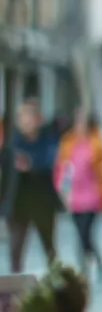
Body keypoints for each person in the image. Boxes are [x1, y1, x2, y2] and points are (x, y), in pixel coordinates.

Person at [54, 109, 102, 279]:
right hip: (74, 198)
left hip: (93, 198)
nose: (79, 126)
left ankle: (85, 269)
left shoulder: (98, 143)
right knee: (80, 234)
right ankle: (94, 263)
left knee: (85, 234)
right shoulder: (68, 142)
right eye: (77, 122)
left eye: (82, 122)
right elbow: (62, 168)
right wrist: (62, 189)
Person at [0, 99, 60, 273]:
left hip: (42, 204)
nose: (25, 121)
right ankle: (17, 293)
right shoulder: (13, 144)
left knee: (49, 249)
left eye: (29, 117)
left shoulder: (47, 141)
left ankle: (57, 287)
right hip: (18, 206)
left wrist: (31, 164)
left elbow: (52, 164)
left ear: (37, 119)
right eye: (22, 117)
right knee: (15, 251)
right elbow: (5, 176)